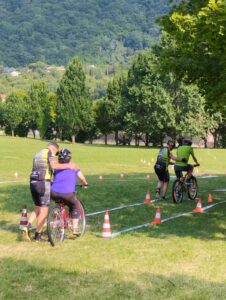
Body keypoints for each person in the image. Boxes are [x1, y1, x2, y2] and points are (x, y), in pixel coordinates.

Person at [22, 142, 79, 241]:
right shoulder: (49, 152)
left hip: (33, 182)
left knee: (37, 208)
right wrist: (69, 166)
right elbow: (53, 165)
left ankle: (26, 226)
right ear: (54, 148)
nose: (56, 155)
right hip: (42, 183)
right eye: (56, 152)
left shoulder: (38, 153)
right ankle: (37, 235)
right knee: (44, 211)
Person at [51, 148, 88, 235]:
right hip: (67, 193)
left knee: (59, 202)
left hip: (53, 192)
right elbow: (82, 178)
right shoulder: (74, 166)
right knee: (75, 205)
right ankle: (75, 228)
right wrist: (85, 184)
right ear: (69, 158)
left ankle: (56, 220)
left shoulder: (56, 167)